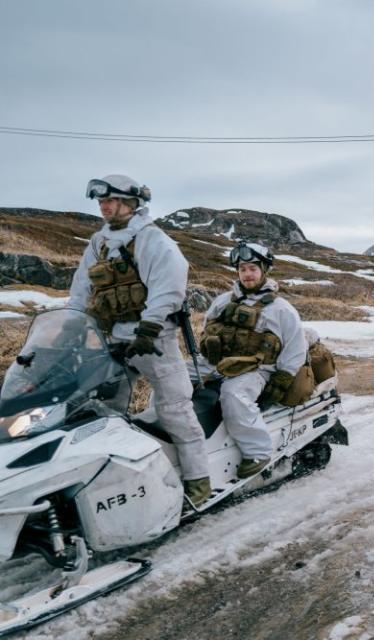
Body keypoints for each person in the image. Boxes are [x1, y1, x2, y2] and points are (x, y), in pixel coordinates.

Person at [67, 175, 211, 506]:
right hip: (111, 341)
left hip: (153, 339)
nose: (104, 206)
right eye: (101, 202)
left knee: (175, 409)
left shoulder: (152, 240)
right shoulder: (98, 244)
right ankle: (111, 485)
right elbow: (80, 290)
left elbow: (169, 287)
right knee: (101, 411)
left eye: (111, 200)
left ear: (131, 204)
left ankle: (198, 481)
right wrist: (69, 328)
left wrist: (148, 329)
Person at [199, 241, 307, 479]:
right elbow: (206, 330)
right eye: (242, 269)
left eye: (252, 269)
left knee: (233, 394)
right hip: (216, 364)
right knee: (171, 377)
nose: (247, 274)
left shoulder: (281, 309)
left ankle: (258, 452)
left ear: (264, 271)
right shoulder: (222, 302)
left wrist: (281, 381)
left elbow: (295, 348)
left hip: (257, 369)